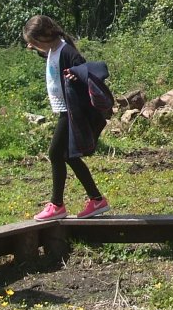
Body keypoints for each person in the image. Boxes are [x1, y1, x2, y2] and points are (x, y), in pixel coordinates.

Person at [23, 15, 111, 220]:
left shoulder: (68, 51)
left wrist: (76, 74)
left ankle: (57, 205)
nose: (35, 45)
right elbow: (51, 59)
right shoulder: (52, 50)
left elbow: (84, 70)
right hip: (64, 111)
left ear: (46, 35)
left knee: (55, 153)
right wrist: (38, 50)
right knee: (68, 156)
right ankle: (97, 200)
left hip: (70, 112)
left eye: (36, 41)